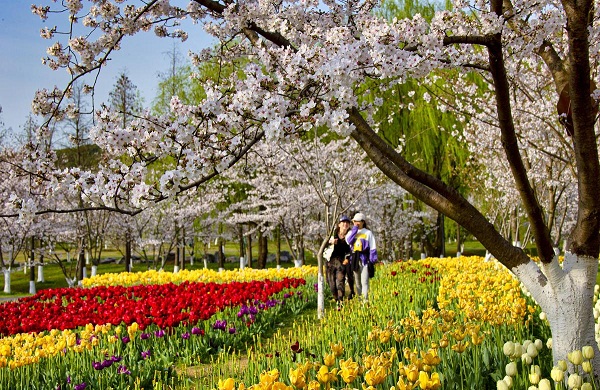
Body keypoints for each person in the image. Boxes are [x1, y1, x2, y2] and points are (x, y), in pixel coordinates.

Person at [346, 212, 378, 301]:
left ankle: (365, 301)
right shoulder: (351, 232)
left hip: (365, 259)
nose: (357, 223)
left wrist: (372, 260)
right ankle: (360, 299)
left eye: (359, 221)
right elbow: (349, 241)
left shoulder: (368, 233)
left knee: (365, 281)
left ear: (363, 222)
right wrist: (355, 230)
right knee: (358, 282)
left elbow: (372, 247)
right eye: (355, 221)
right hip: (355, 259)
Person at [326, 216, 353, 306]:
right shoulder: (333, 234)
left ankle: (340, 302)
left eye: (347, 223)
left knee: (340, 282)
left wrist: (347, 259)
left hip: (341, 262)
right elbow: (324, 245)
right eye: (343, 222)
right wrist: (330, 242)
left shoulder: (350, 236)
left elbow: (351, 250)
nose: (345, 224)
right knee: (332, 285)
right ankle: (336, 298)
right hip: (330, 262)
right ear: (339, 224)